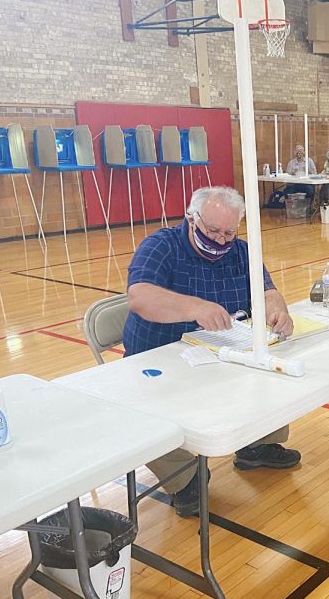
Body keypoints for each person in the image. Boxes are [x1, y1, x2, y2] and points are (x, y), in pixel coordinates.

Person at [123, 186, 301, 517]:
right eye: (212, 231)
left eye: (229, 233)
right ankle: (184, 478)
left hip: (220, 355)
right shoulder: (160, 246)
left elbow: (268, 291)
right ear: (192, 219)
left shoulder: (242, 252)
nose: (220, 241)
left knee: (269, 373)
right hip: (158, 362)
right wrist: (194, 308)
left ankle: (258, 444)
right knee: (145, 411)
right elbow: (140, 297)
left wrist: (278, 310)